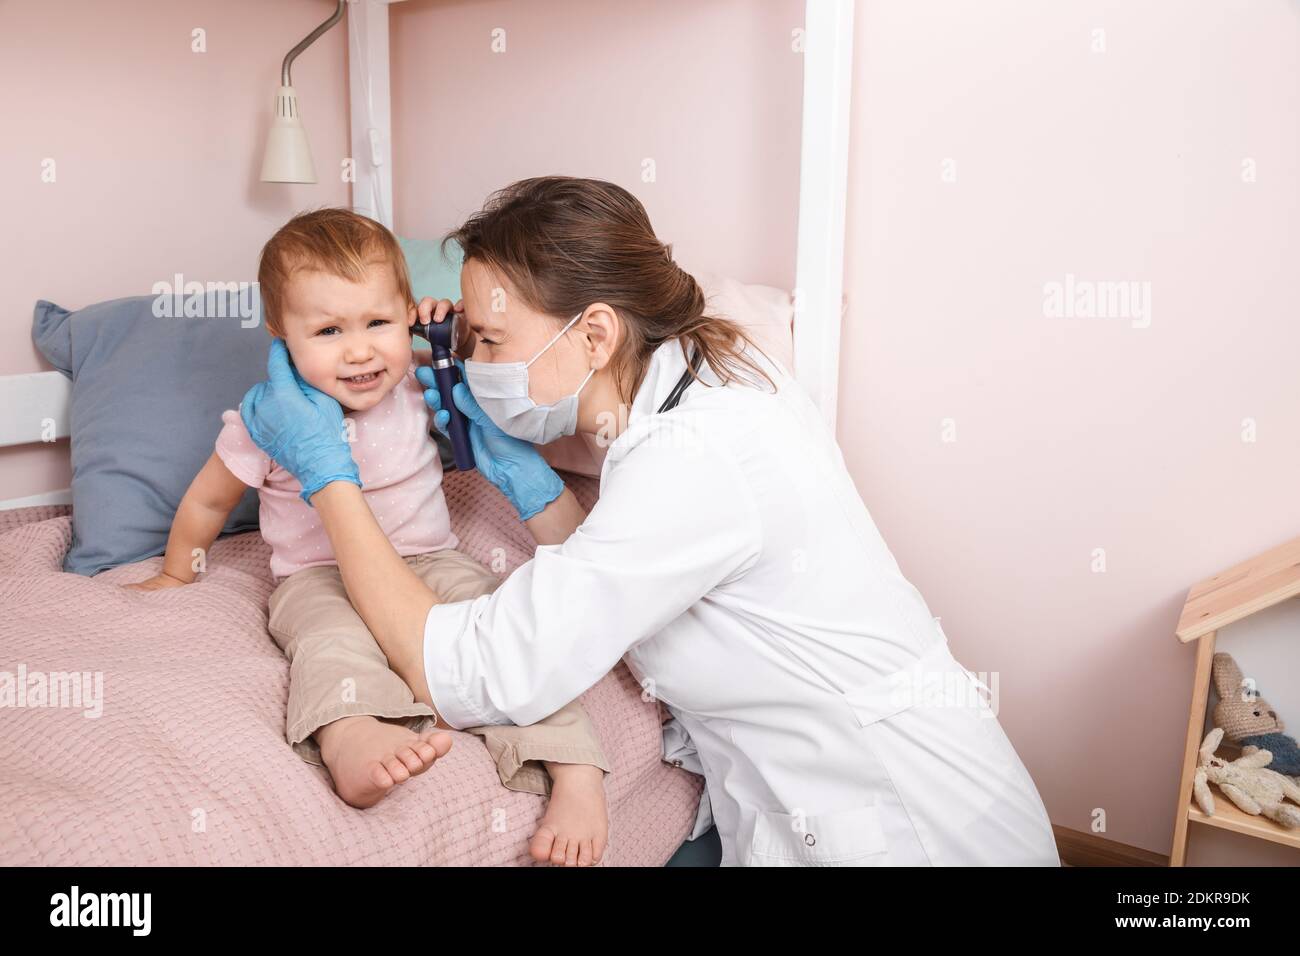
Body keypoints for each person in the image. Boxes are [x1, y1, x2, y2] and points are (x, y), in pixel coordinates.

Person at [237, 177, 1061, 866]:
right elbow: (643, 572)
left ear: (593, 332)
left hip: (906, 828)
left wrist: (329, 478)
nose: (473, 367)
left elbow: (479, 671)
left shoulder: (698, 454)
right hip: (825, 799)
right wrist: (543, 498)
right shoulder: (706, 370)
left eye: (488, 341)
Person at [128, 208, 611, 865]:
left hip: (431, 561)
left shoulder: (418, 380)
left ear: (407, 314)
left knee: (510, 634)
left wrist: (450, 334)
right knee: (330, 647)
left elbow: (491, 366)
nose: (359, 351)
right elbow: (210, 499)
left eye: (378, 323)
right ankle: (352, 737)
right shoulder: (271, 415)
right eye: (328, 330)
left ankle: (575, 770)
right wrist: (178, 572)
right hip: (315, 576)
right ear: (281, 333)